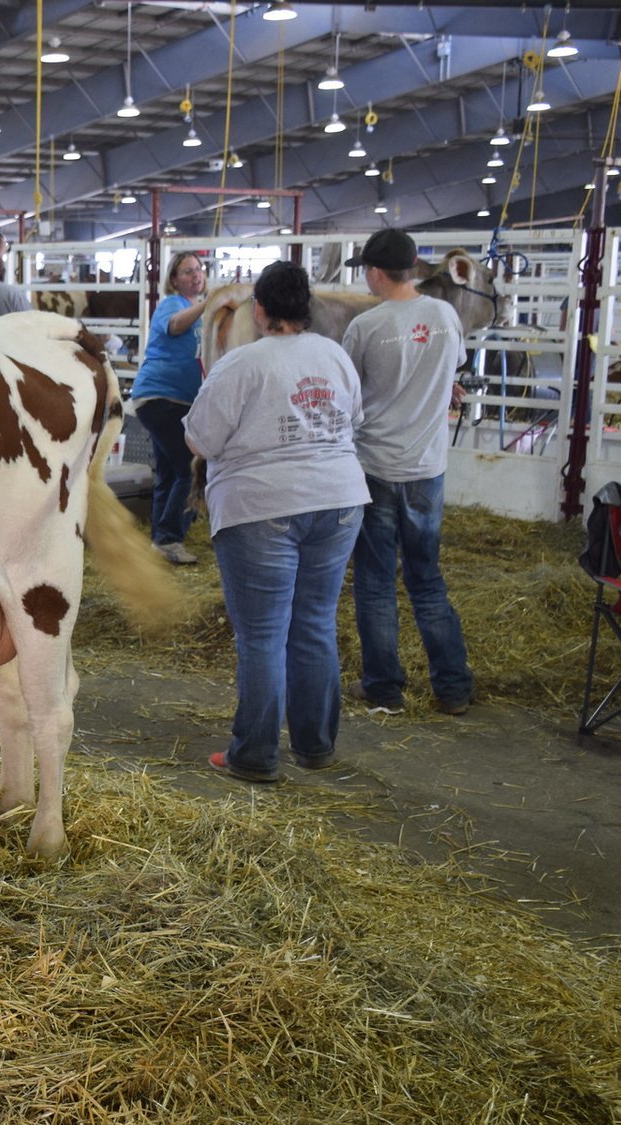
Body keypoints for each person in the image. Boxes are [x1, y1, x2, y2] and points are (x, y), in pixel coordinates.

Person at [184, 261, 367, 783]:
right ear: (305, 308)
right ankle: (315, 744)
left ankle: (256, 754)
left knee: (263, 635)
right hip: (339, 501)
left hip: (261, 507)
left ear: (259, 310)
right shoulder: (334, 356)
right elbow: (353, 419)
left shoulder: (241, 365)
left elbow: (199, 440)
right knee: (314, 623)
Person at [340, 228, 474, 717]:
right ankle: (453, 685)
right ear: (413, 267)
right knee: (426, 578)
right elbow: (449, 371)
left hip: (374, 465)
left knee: (375, 581)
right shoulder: (445, 315)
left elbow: (351, 393)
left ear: (376, 272)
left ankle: (384, 687)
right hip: (426, 469)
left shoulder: (367, 327)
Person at [128, 250, 210, 566]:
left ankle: (159, 540)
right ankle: (169, 538)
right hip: (162, 397)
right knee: (188, 469)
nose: (196, 275)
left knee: (166, 471)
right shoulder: (172, 304)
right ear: (174, 280)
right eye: (188, 271)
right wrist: (208, 304)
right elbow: (175, 326)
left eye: (199, 269)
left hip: (174, 399)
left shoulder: (197, 311)